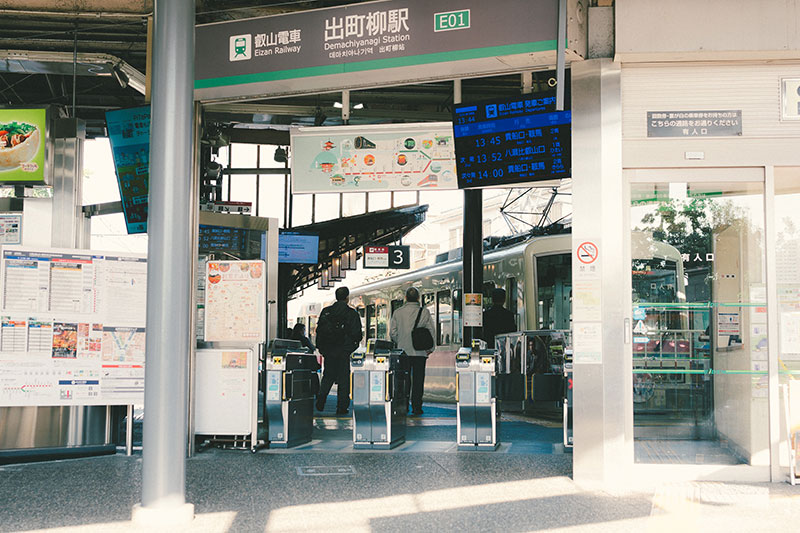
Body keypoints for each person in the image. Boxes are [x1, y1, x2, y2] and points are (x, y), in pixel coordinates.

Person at [315, 286, 363, 416]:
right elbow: (357, 334)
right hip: (343, 352)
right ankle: (342, 407)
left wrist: (323, 349)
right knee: (343, 380)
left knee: (327, 376)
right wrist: (349, 348)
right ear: (347, 298)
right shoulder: (351, 313)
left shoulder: (326, 312)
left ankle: (321, 400)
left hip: (329, 351)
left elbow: (319, 332)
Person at [390, 286, 436, 416]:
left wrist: (401, 342)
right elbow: (431, 331)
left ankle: (403, 405)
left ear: (405, 298)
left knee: (403, 380)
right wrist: (430, 349)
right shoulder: (424, 312)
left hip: (403, 353)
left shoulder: (398, 313)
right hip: (420, 352)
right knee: (418, 380)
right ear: (418, 298)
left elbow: (392, 333)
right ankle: (417, 406)